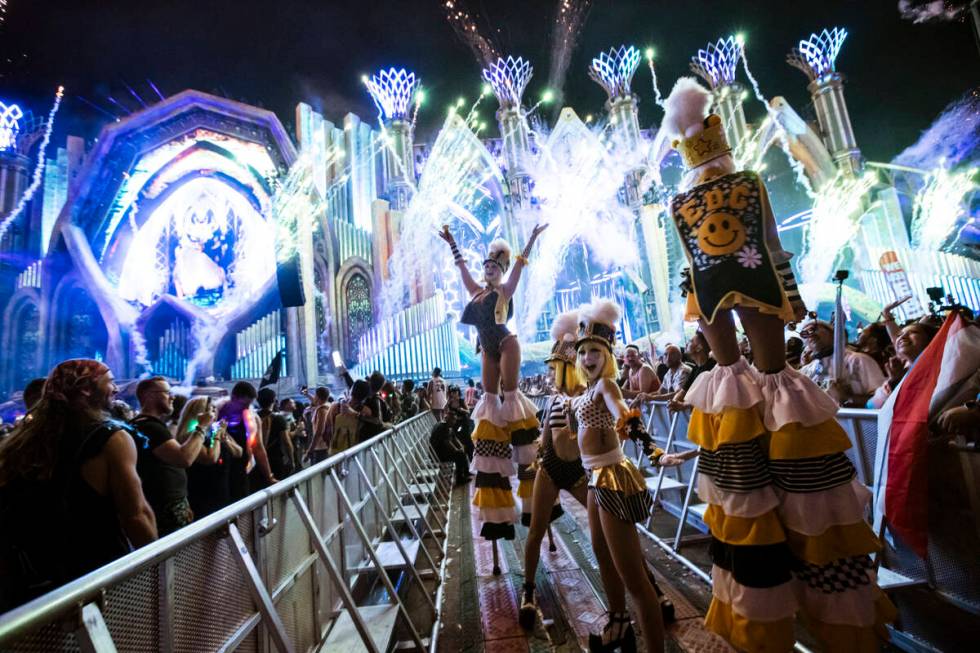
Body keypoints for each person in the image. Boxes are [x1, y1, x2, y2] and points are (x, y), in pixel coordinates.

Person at [660, 77, 891, 652]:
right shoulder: (746, 188)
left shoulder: (682, 206)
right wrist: (782, 314)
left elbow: (700, 293)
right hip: (770, 391)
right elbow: (770, 261)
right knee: (809, 515)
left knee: (750, 518)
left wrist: (730, 351)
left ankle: (775, 629)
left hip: (735, 400)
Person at [0, 360, 156, 609]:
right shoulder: (112, 439)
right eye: (110, 382)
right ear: (86, 390)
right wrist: (159, 562)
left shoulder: (20, 442)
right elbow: (136, 516)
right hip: (95, 576)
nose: (115, 389)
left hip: (33, 584)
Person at [440, 224, 546, 570]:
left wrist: (529, 238)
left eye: (493, 267)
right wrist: (453, 243)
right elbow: (461, 270)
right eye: (486, 266)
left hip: (505, 342)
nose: (488, 270)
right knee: (489, 403)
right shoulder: (474, 293)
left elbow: (519, 266)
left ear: (500, 273)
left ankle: (527, 454)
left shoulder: (505, 290)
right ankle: (496, 461)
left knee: (511, 396)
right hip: (485, 350)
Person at [570, 299, 664, 653]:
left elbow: (625, 415)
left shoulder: (608, 385)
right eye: (582, 352)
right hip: (594, 477)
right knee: (602, 555)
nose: (587, 357)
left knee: (635, 578)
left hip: (611, 476)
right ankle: (619, 622)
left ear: (607, 354)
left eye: (594, 350)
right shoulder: (585, 392)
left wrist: (653, 450)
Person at [131, 377, 209, 535]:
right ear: (149, 396)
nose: (172, 396)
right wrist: (202, 427)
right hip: (165, 508)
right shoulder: (150, 427)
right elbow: (184, 458)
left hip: (167, 505)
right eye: (167, 393)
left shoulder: (146, 424)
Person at [800, 319, 886, 406]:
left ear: (832, 334)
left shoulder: (859, 361)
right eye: (804, 333)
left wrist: (849, 397)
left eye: (813, 329)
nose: (810, 334)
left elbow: (884, 400)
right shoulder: (805, 372)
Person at [217, 382, 275, 502]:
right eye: (243, 404)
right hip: (217, 473)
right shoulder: (216, 414)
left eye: (249, 405)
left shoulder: (253, 419)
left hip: (241, 472)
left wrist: (269, 476)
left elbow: (258, 448)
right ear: (234, 397)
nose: (246, 409)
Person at [185, 398, 243, 518]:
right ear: (199, 413)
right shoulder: (192, 432)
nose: (214, 412)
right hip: (203, 491)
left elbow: (239, 452)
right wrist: (217, 437)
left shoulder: (216, 429)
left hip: (223, 487)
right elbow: (211, 458)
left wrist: (224, 439)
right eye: (210, 409)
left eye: (214, 409)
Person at [868, 320, 939, 409]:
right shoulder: (902, 368)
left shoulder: (937, 369)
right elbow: (871, 405)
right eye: (899, 335)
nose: (903, 337)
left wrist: (896, 382)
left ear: (932, 340)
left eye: (913, 332)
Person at [255, 387, 294, 486]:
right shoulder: (279, 419)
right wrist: (291, 460)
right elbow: (286, 442)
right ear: (274, 400)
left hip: (257, 461)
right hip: (275, 459)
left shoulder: (254, 417)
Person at [428, 410, 472, 485]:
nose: (454, 422)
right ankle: (460, 479)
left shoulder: (448, 426)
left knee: (464, 448)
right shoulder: (442, 427)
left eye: (455, 420)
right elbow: (447, 442)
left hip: (444, 450)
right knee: (459, 455)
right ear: (448, 418)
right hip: (438, 454)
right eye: (453, 420)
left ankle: (466, 472)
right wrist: (457, 450)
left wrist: (461, 446)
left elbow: (454, 438)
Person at [305, 387, 333, 464]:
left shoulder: (322, 410)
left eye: (315, 395)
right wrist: (307, 394)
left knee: (322, 473)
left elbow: (319, 432)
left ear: (317, 396)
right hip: (326, 445)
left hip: (321, 447)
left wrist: (309, 451)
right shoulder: (328, 405)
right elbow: (314, 401)